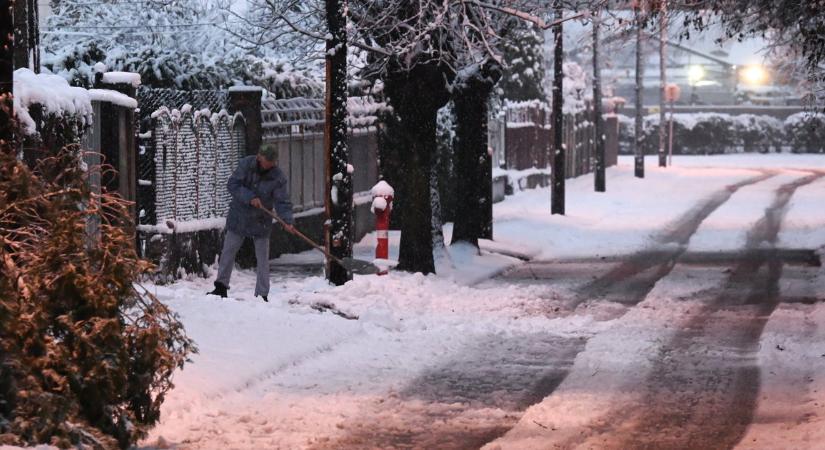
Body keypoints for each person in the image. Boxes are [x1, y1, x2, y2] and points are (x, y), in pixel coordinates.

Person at [207, 144, 294, 301]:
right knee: (228, 251)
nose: (271, 164)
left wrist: (287, 220)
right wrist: (249, 197)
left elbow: (282, 201)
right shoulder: (246, 165)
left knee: (262, 258)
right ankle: (220, 286)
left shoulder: (278, 177)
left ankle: (262, 294)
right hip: (239, 216)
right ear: (259, 157)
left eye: (273, 161)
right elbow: (232, 185)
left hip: (261, 220)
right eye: (268, 160)